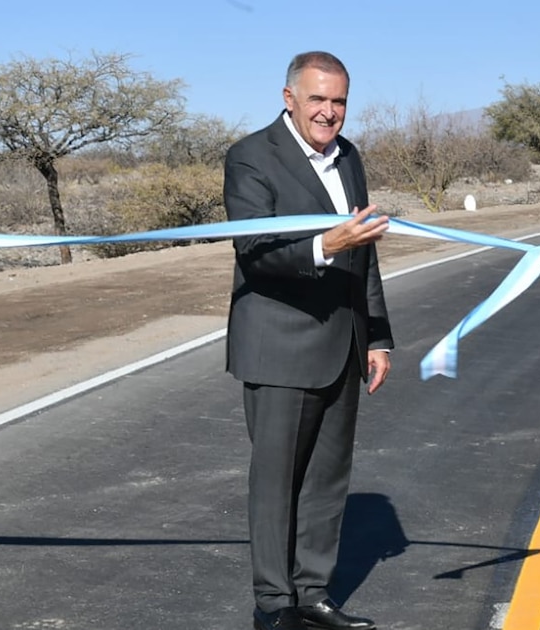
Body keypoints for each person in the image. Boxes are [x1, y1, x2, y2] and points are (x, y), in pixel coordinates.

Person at [225, 51, 394, 630]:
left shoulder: (349, 158)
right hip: (280, 347)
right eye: (317, 99)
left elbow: (364, 251)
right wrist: (328, 245)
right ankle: (273, 605)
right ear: (288, 97)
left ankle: (313, 593)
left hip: (343, 344)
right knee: (275, 483)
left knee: (327, 479)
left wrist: (377, 336)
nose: (329, 112)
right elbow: (256, 251)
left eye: (339, 101)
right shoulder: (251, 157)